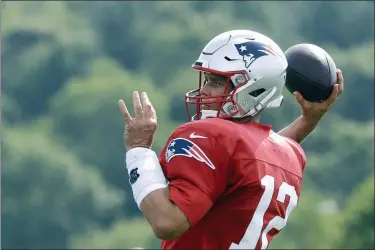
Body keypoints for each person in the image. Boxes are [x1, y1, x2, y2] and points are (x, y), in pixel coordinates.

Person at [118, 30, 344, 249]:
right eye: (206, 80)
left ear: (253, 88)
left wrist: (139, 150)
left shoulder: (212, 136)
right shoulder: (291, 155)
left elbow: (166, 222)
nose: (204, 90)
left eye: (216, 82)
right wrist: (309, 119)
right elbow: (257, 154)